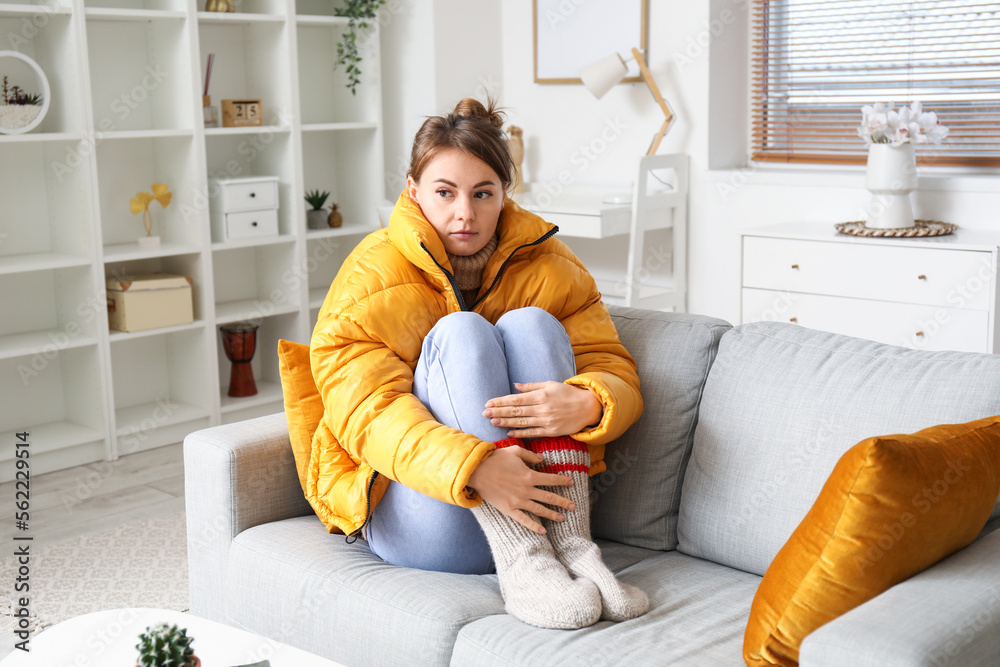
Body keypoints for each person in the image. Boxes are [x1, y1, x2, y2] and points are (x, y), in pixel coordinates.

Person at [309, 97, 647, 629]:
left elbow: (614, 368)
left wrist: (588, 402)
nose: (464, 213)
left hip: (545, 507)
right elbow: (366, 412)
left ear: (504, 195)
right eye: (444, 193)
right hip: (430, 514)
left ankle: (574, 548)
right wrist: (476, 467)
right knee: (462, 332)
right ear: (413, 190)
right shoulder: (370, 274)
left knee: (531, 323)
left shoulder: (553, 266)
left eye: (482, 193)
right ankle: (524, 561)